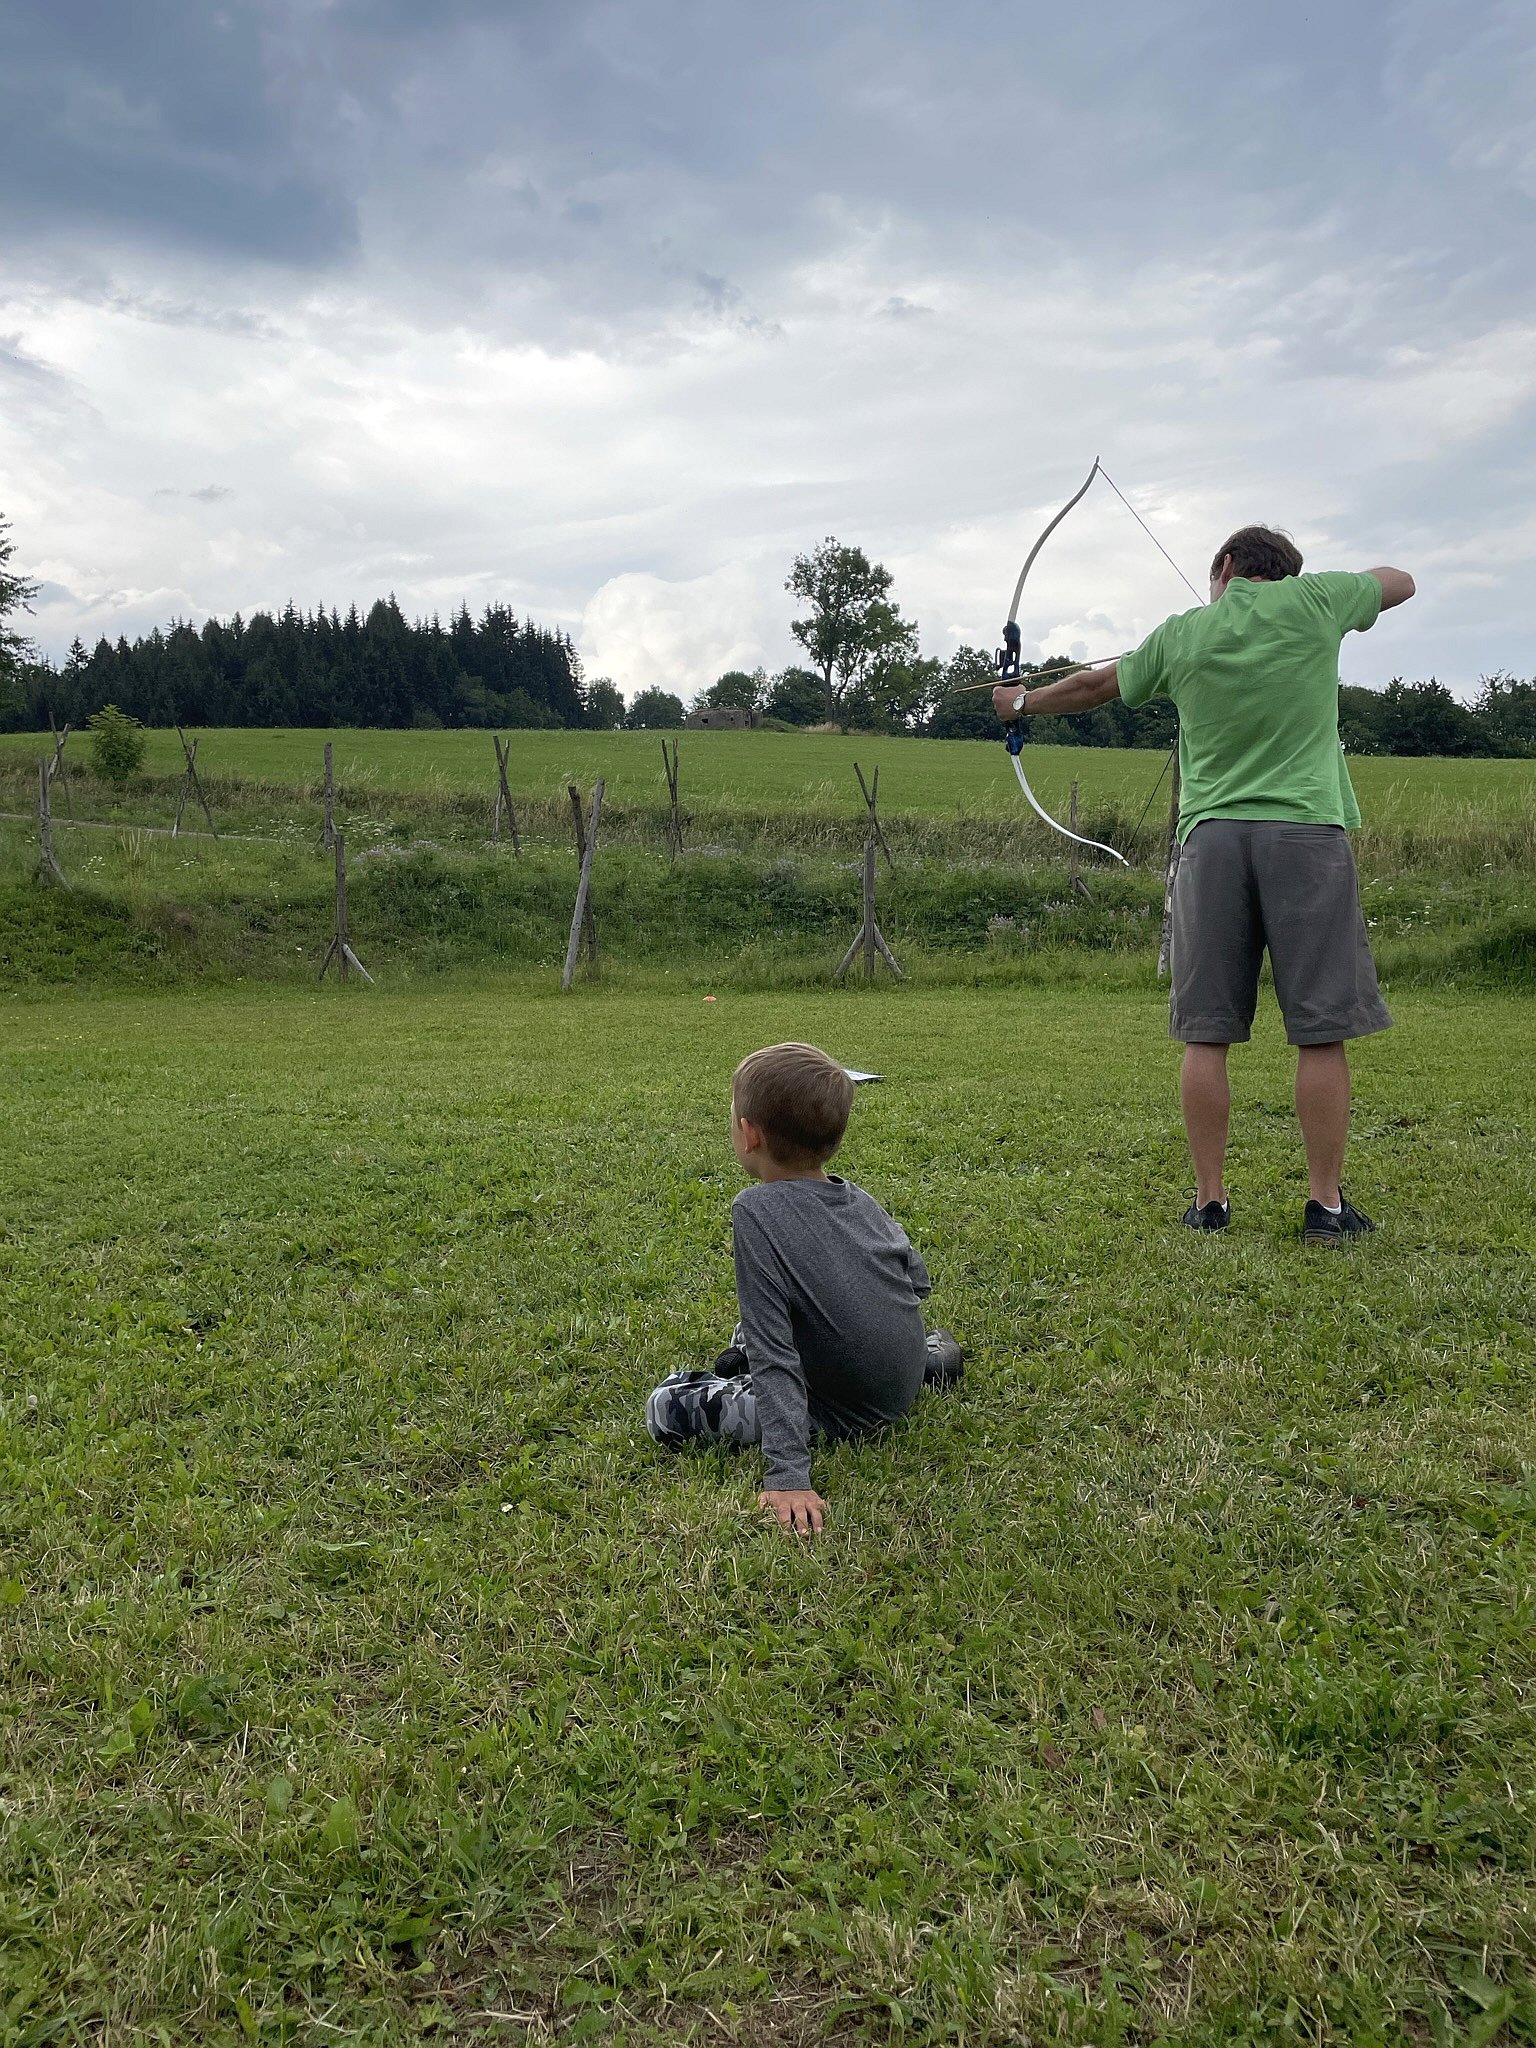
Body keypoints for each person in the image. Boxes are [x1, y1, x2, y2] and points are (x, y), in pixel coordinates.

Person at [994, 526, 1415, 1245]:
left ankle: (1210, 1203)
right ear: (1283, 573)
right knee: (1321, 1033)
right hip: (1306, 836)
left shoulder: (1184, 631)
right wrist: (1331, 592)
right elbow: (1401, 580)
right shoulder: (1318, 601)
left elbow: (1094, 687)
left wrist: (1021, 704)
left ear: (1225, 566)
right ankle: (1325, 1207)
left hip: (1212, 841)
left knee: (1207, 1033)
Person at [644, 1041, 963, 1535]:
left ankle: (759, 1381)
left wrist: (788, 1476)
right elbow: (916, 1282)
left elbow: (774, 1349)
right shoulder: (859, 1199)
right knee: (767, 1326)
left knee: (666, 1406)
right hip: (899, 1378)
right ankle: (933, 1361)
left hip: (836, 1408)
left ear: (749, 1134)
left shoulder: (755, 1211)